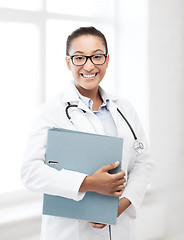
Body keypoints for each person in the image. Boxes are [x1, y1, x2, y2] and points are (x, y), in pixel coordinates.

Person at [21, 26, 153, 240]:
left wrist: (120, 205)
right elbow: (30, 172)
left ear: (107, 60)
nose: (89, 65)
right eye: (79, 58)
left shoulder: (124, 108)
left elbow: (144, 162)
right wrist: (88, 183)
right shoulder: (51, 112)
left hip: (120, 229)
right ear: (68, 62)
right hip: (71, 232)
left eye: (97, 56)